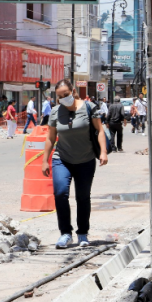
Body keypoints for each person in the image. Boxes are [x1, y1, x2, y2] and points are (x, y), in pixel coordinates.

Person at [42, 79, 108, 249]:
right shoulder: (55, 112)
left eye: (66, 94)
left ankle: (82, 233)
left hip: (85, 160)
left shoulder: (89, 107)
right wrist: (45, 161)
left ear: (73, 91)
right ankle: (65, 233)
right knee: (60, 193)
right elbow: (50, 137)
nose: (63, 98)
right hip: (61, 159)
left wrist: (103, 152)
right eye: (59, 96)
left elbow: (100, 130)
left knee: (83, 197)